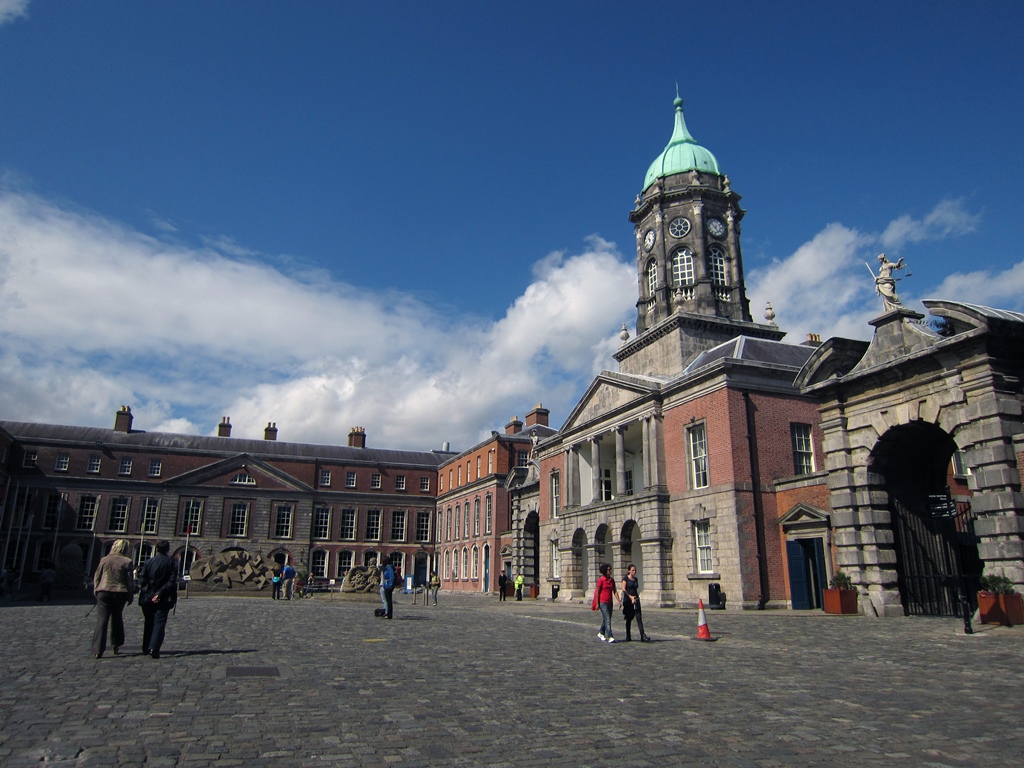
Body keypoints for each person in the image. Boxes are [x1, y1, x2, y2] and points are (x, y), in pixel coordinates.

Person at [91, 539, 135, 658]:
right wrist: (131, 595)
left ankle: (98, 650)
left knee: (102, 620)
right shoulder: (127, 561)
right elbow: (129, 581)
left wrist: (96, 589)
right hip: (119, 592)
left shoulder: (104, 560)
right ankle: (116, 644)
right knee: (117, 618)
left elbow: (97, 576)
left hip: (103, 591)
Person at [138, 540, 177, 659]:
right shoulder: (172, 563)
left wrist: (151, 594)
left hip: (148, 597)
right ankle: (154, 648)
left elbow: (142, 581)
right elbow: (171, 582)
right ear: (168, 549)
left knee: (149, 622)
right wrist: (159, 594)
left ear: (157, 549)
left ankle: (146, 647)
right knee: (159, 622)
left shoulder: (149, 562)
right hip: (164, 598)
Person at [591, 563, 621, 643]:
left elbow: (614, 591)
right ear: (605, 571)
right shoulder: (601, 580)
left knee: (606, 619)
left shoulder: (611, 580)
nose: (610, 571)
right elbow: (597, 592)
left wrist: (618, 600)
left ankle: (601, 633)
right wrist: (597, 603)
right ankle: (610, 636)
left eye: (611, 569)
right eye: (609, 570)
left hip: (609, 602)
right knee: (607, 619)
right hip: (602, 602)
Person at [621, 563, 651, 642]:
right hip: (628, 601)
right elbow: (623, 589)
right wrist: (630, 597)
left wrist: (635, 598)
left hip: (636, 600)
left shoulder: (636, 579)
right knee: (629, 618)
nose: (634, 572)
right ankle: (628, 635)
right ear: (629, 571)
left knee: (639, 618)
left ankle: (642, 635)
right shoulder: (625, 579)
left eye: (635, 570)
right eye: (632, 570)